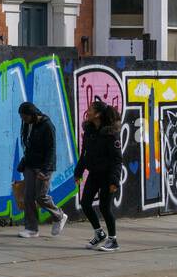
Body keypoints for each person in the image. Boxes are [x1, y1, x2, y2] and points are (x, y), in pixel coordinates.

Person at [16, 101, 68, 238]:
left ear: (33, 114)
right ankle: (31, 229)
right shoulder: (27, 125)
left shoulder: (47, 126)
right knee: (28, 197)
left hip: (43, 167)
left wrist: (45, 170)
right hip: (30, 165)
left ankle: (59, 216)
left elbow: (51, 149)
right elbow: (28, 146)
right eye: (22, 117)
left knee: (40, 197)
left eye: (25, 117)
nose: (23, 120)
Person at [75, 102, 121, 252]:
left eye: (90, 110)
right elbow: (84, 153)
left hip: (108, 176)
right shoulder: (89, 131)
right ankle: (99, 233)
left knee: (104, 207)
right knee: (85, 203)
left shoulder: (110, 134)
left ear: (98, 114)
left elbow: (116, 159)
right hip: (94, 173)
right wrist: (78, 172)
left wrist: (114, 180)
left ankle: (113, 240)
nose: (87, 112)